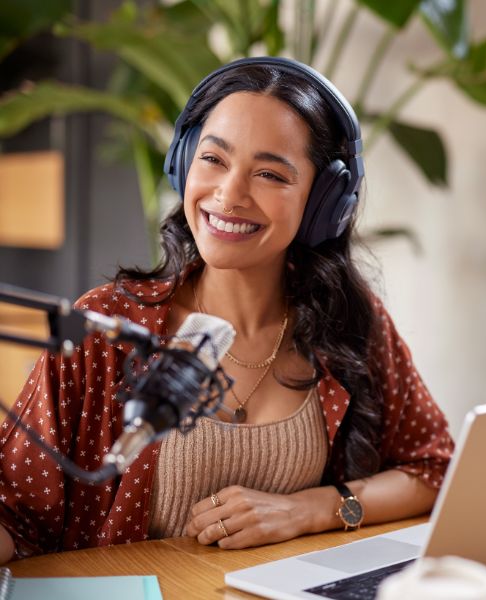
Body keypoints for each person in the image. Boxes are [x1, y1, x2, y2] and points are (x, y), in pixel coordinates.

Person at [0, 57, 454, 563]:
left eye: (269, 173)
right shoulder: (107, 327)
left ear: (323, 201)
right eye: (213, 159)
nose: (229, 195)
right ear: (184, 163)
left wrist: (310, 509)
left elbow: (433, 469)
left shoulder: (350, 325)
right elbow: (13, 514)